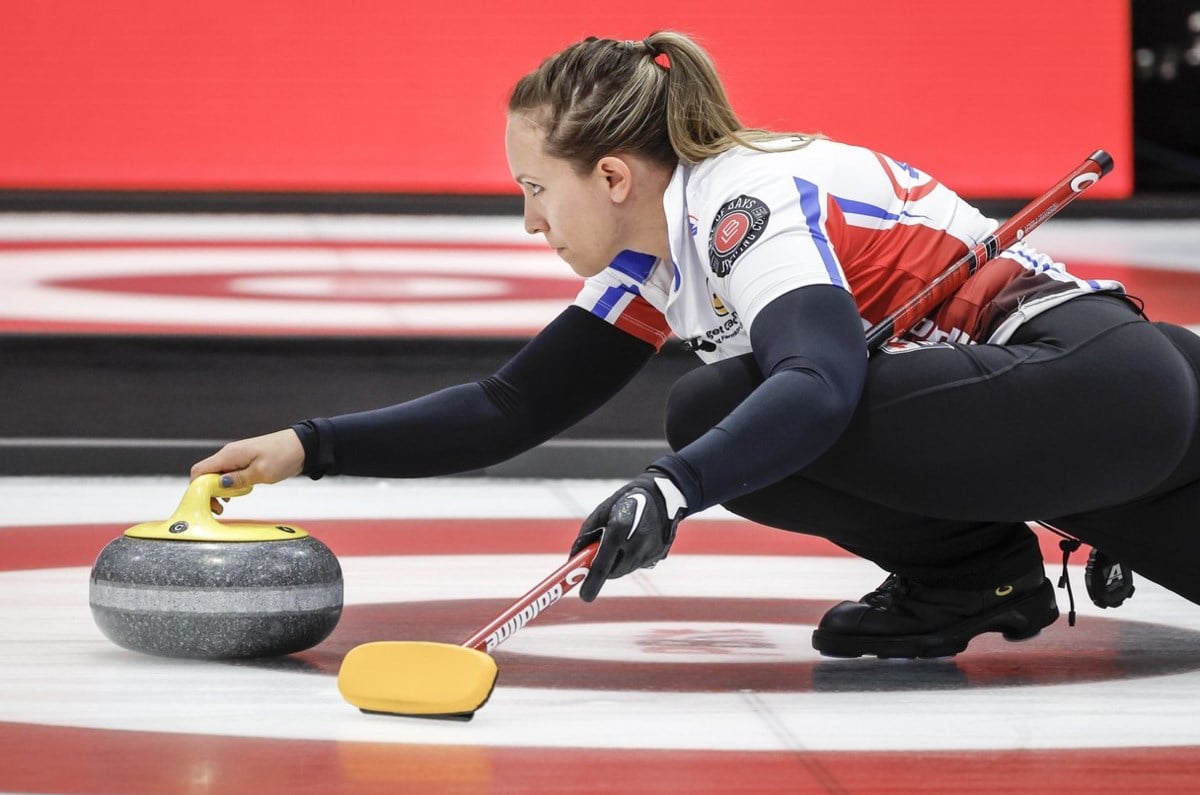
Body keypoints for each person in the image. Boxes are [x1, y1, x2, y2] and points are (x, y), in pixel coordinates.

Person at [192, 32, 1200, 660]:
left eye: (535, 189)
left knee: (718, 413)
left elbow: (819, 381)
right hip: (1094, 411)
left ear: (615, 176)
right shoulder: (650, 263)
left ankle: (965, 574)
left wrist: (671, 488)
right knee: (725, 415)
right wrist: (309, 444)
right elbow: (511, 407)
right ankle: (979, 576)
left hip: (1099, 385)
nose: (528, 222)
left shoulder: (739, 204)